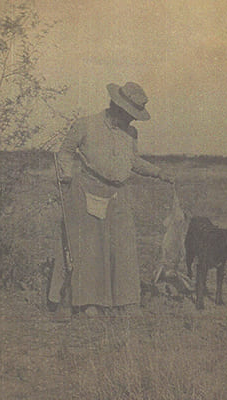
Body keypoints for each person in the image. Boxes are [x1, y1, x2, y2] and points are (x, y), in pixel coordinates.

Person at [48, 82, 174, 317]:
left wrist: (158, 172)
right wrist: (65, 175)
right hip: (87, 191)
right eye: (129, 114)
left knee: (123, 248)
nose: (132, 120)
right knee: (90, 249)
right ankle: (88, 303)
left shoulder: (131, 133)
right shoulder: (85, 125)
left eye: (134, 116)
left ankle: (125, 302)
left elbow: (133, 161)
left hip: (119, 194)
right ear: (116, 106)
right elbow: (65, 152)